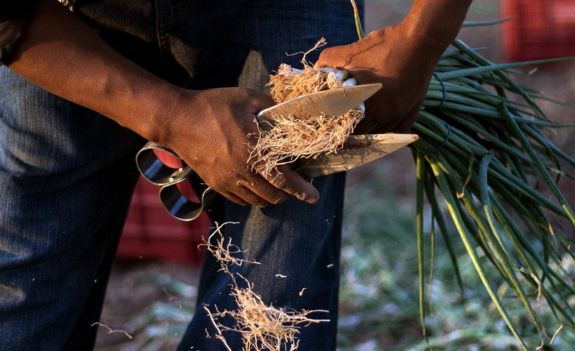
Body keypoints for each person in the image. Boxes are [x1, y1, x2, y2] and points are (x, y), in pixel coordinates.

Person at [0, 0, 470, 349]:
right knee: (25, 283)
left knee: (269, 302)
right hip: (65, 17)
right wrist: (171, 116)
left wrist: (422, 38)